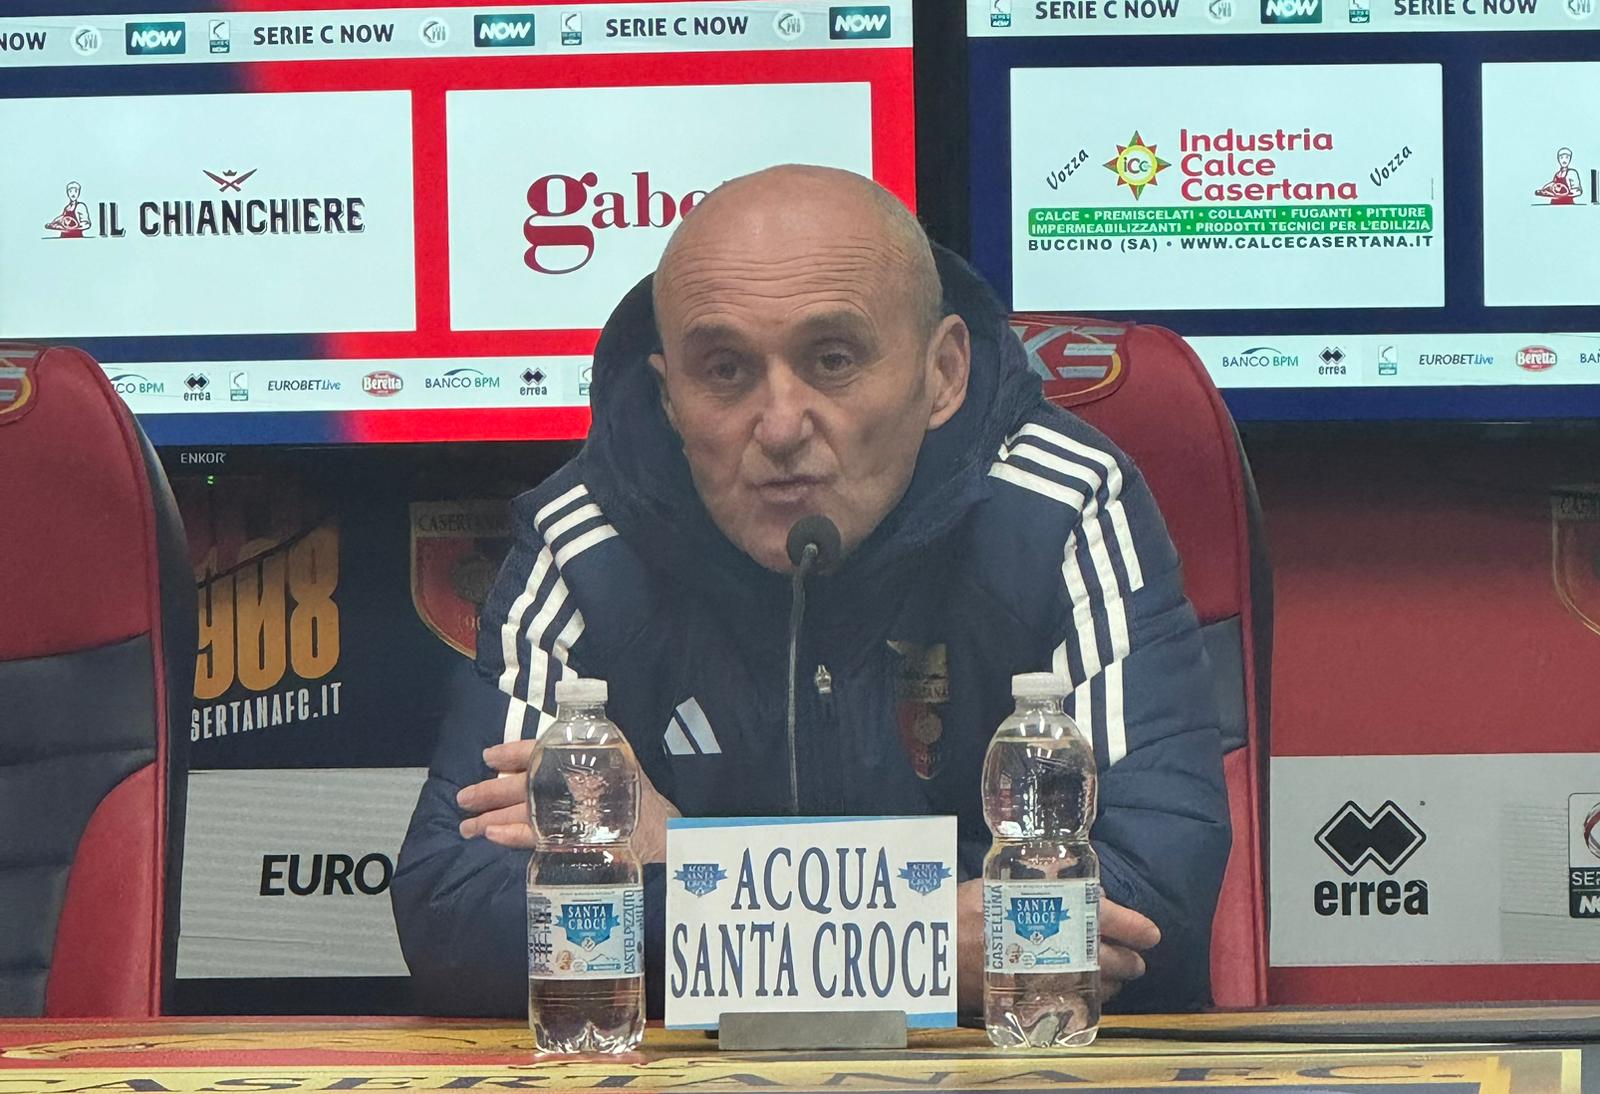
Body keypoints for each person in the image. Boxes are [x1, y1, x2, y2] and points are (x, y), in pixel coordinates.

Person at [392, 165, 1229, 1017]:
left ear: (943, 373)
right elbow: (454, 912)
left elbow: (1149, 895)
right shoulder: (584, 540)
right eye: (725, 370)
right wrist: (921, 946)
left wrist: (690, 865)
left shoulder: (1061, 505)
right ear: (670, 397)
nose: (782, 424)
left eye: (832, 360)